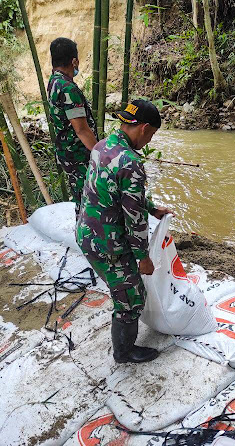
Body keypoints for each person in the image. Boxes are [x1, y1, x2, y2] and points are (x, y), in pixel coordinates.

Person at [76, 99, 173, 364]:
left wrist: (152, 208)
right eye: (151, 134)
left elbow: (112, 190)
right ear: (143, 128)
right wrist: (143, 257)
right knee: (132, 299)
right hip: (108, 244)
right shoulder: (131, 163)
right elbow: (133, 219)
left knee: (124, 290)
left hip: (87, 234)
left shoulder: (102, 146)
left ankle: (124, 344)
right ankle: (124, 352)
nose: (149, 140)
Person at [47, 37, 98, 213]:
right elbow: (81, 129)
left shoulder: (53, 81)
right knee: (88, 200)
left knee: (81, 196)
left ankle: (84, 233)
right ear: (74, 61)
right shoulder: (68, 88)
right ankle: (85, 236)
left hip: (65, 152)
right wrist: (102, 154)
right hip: (78, 155)